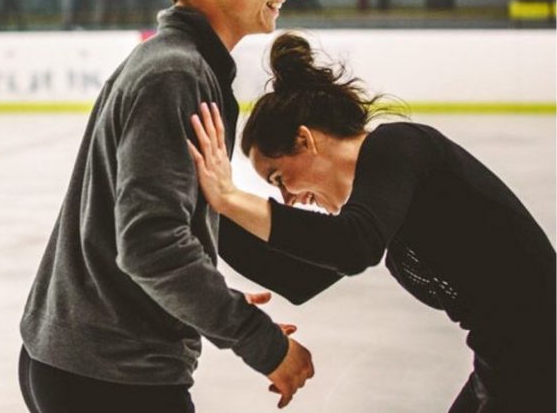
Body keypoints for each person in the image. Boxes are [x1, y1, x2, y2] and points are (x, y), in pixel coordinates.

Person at [19, 0, 314, 412]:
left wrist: (198, 300)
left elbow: (142, 234)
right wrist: (262, 343)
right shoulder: (175, 75)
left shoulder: (177, 65)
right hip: (111, 380)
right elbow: (151, 246)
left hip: (92, 363)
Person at [187, 31, 556, 413]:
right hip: (505, 355)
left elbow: (351, 246)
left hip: (539, 352)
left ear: (304, 140)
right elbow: (302, 275)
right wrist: (208, 211)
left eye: (280, 178)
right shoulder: (381, 207)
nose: (288, 198)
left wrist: (230, 198)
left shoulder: (398, 147)